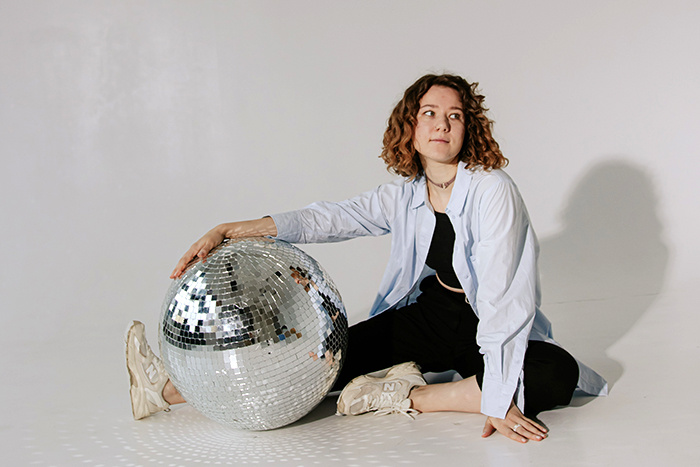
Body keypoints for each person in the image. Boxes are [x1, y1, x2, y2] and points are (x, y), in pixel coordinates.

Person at [126, 73, 607, 444]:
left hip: (486, 320)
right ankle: (164, 390)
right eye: (430, 113)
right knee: (317, 367)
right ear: (411, 127)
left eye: (455, 115)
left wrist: (499, 400)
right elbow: (330, 218)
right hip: (432, 314)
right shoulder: (406, 194)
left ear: (469, 128)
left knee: (555, 373)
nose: (442, 124)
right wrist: (233, 228)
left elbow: (503, 298)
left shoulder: (493, 190)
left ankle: (403, 394)